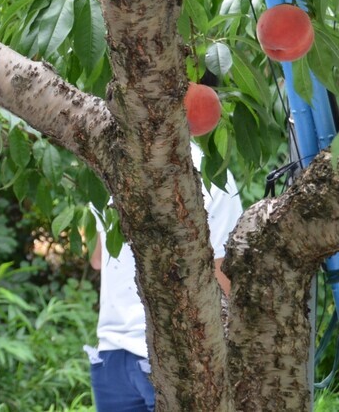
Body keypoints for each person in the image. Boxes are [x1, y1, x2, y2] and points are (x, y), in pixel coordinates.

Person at [86, 144, 243, 412]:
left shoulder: (106, 165)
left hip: (116, 354)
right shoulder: (211, 172)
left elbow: (97, 258)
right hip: (173, 354)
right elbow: (223, 281)